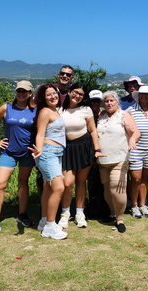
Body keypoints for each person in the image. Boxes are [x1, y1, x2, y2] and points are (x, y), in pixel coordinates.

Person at [0, 81, 36, 236]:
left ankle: (22, 214)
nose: (21, 93)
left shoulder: (35, 111)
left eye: (25, 91)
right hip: (8, 152)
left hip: (27, 154)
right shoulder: (7, 107)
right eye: (19, 90)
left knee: (23, 183)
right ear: (16, 92)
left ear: (30, 93)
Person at [58, 83, 105, 229]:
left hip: (84, 148)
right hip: (67, 149)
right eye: (75, 92)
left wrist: (97, 149)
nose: (77, 96)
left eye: (81, 94)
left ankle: (79, 213)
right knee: (68, 183)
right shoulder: (59, 110)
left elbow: (92, 131)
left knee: (81, 182)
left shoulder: (86, 109)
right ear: (69, 92)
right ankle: (65, 214)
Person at [97, 91, 140, 233]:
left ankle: (120, 219)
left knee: (117, 188)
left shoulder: (124, 115)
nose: (109, 103)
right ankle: (112, 213)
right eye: (107, 101)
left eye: (112, 101)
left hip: (119, 159)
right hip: (102, 160)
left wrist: (132, 140)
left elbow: (135, 132)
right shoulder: (101, 116)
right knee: (107, 189)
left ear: (117, 102)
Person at [29, 84, 67, 239]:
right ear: (43, 98)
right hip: (47, 152)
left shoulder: (55, 111)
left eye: (54, 93)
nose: (53, 97)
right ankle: (51, 226)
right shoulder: (45, 111)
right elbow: (40, 134)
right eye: (48, 95)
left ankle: (44, 221)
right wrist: (39, 150)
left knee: (48, 188)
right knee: (58, 187)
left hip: (56, 153)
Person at [127, 86, 148, 219]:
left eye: (146, 95)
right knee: (135, 178)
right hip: (135, 150)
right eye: (141, 94)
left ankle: (143, 204)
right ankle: (134, 205)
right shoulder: (130, 110)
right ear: (138, 96)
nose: (144, 97)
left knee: (145, 179)